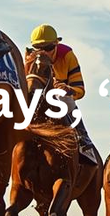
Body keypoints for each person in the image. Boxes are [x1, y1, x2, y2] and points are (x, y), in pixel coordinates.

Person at [28, 23, 96, 161]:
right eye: (38, 48)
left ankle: (83, 139)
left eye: (48, 48)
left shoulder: (67, 55)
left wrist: (68, 89)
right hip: (36, 98)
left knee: (64, 98)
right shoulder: (30, 58)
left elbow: (80, 90)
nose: (43, 52)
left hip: (59, 99)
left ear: (56, 44)